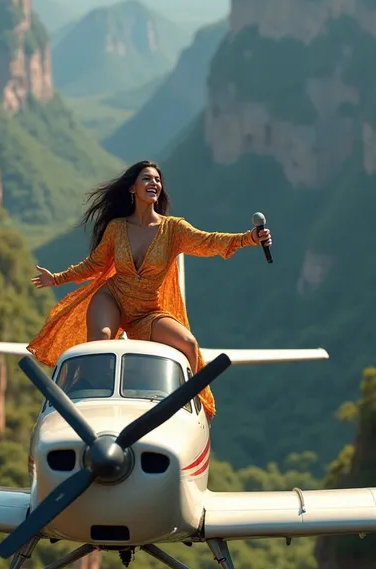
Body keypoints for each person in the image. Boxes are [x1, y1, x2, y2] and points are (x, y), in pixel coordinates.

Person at [28, 160, 272, 421]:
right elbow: (95, 265)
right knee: (101, 342)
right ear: (132, 188)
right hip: (112, 297)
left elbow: (209, 242)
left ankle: (194, 414)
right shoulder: (117, 228)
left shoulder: (174, 229)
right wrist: (57, 278)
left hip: (147, 311)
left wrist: (250, 238)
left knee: (188, 344)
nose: (154, 183)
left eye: (157, 180)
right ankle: (94, 412)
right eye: (147, 179)